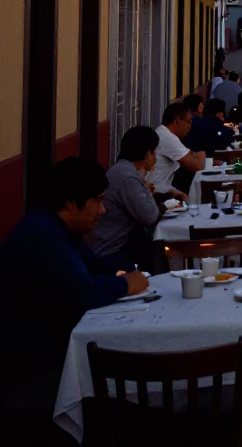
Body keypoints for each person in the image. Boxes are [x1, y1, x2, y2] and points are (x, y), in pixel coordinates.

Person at [0, 158, 149, 437]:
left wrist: (130, 269)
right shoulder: (41, 236)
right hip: (31, 369)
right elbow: (83, 293)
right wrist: (124, 284)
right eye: (98, 200)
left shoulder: (62, 231)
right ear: (71, 202)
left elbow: (95, 266)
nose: (103, 210)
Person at [89, 126, 180, 269]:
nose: (155, 158)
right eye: (154, 152)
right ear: (147, 155)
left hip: (119, 246)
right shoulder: (127, 177)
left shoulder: (123, 170)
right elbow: (149, 216)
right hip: (109, 253)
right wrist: (145, 183)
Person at [152, 102, 206, 194]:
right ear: (177, 121)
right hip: (156, 192)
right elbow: (197, 166)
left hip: (163, 189)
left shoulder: (164, 133)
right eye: (189, 121)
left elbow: (189, 154)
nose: (189, 127)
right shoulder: (166, 137)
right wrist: (202, 154)